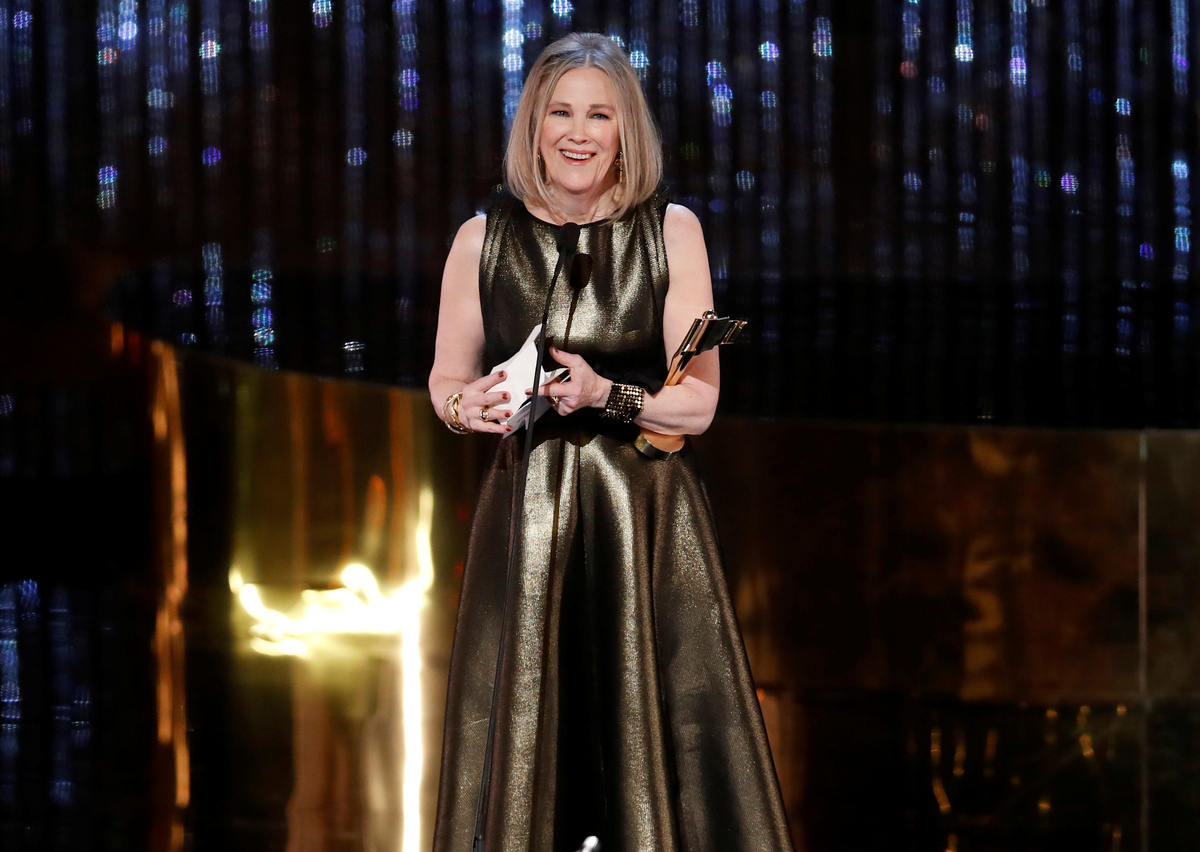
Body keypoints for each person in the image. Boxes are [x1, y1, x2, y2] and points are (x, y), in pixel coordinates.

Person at [428, 33, 794, 852]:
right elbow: (445, 377)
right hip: (527, 522)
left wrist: (607, 395)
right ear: (534, 126)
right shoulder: (480, 239)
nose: (578, 132)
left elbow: (699, 404)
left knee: (650, 739)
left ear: (626, 129)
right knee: (530, 745)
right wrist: (464, 407)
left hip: (643, 520)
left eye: (599, 115)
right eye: (560, 113)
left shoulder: (673, 232)